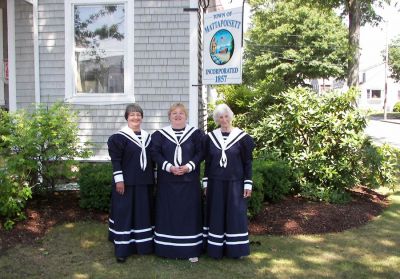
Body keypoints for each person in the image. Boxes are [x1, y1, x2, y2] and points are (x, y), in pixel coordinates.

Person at [151, 103, 204, 263]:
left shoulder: (196, 134)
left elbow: (201, 152)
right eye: (174, 113)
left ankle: (190, 250)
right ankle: (166, 249)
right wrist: (169, 167)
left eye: (181, 113)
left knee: (189, 215)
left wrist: (189, 166)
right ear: (169, 116)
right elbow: (154, 153)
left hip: (189, 182)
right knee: (168, 214)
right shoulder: (159, 135)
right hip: (167, 182)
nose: (178, 115)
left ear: (186, 116)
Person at [203, 103, 255, 259]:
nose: (224, 119)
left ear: (231, 117)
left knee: (235, 215)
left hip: (236, 183)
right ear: (217, 119)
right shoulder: (210, 138)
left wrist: (248, 183)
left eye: (226, 116)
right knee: (216, 214)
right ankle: (215, 249)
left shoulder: (243, 138)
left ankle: (235, 251)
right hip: (215, 182)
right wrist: (205, 183)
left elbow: (248, 162)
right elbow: (207, 161)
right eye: (220, 117)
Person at [107, 104, 154, 263]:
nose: (135, 118)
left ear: (142, 117)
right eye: (132, 115)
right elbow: (116, 161)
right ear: (126, 117)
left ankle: (142, 246)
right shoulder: (118, 138)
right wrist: (119, 180)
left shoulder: (148, 137)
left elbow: (152, 161)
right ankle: (122, 249)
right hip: (125, 183)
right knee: (125, 215)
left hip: (144, 182)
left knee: (142, 214)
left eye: (138, 115)